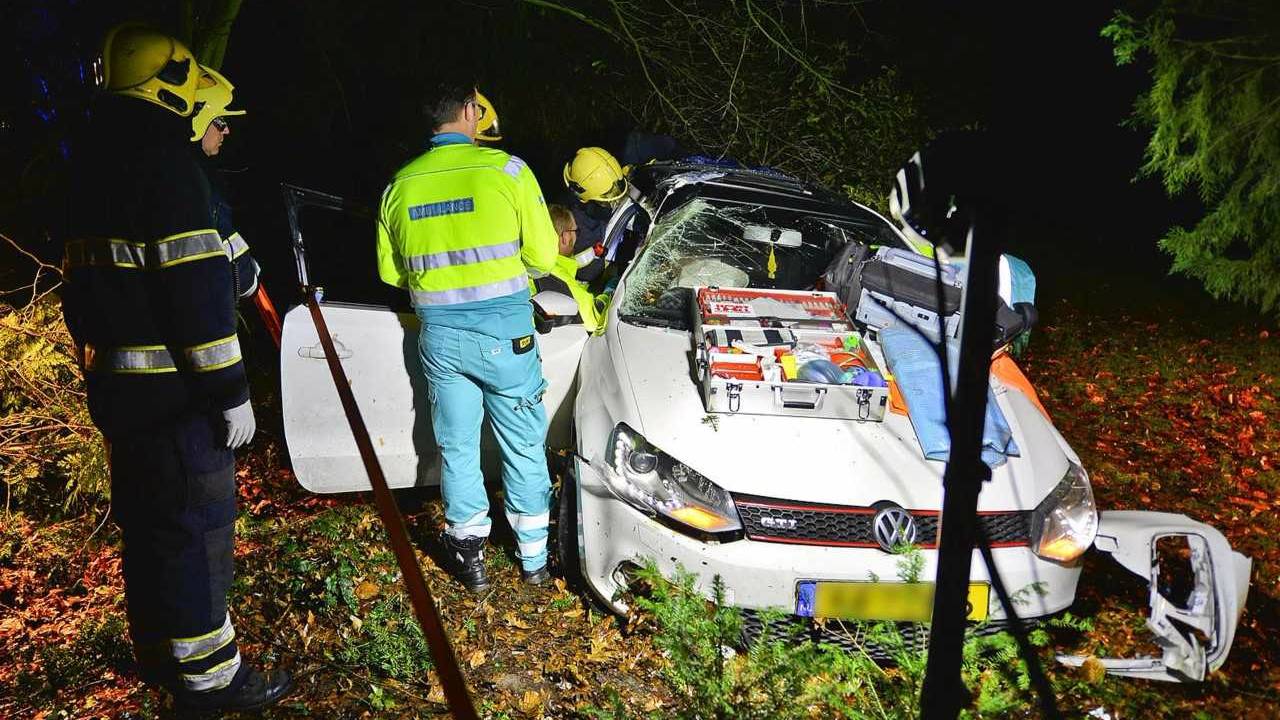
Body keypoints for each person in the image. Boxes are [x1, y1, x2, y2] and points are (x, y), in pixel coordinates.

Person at [59, 24, 291, 713]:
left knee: (152, 528)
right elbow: (196, 295)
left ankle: (161, 653)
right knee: (195, 531)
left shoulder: (97, 165)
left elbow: (85, 293)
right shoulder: (168, 168)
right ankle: (212, 676)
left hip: (121, 396)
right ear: (173, 95)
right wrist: (231, 392)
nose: (218, 128)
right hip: (178, 401)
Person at [375, 79, 560, 591]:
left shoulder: (399, 185)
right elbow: (544, 257)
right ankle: (534, 560)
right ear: (470, 113)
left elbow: (393, 276)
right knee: (522, 442)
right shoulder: (509, 171)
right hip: (506, 334)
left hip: (440, 339)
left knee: (456, 446)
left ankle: (472, 558)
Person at [190, 64, 259, 304]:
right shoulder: (197, 183)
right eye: (219, 122)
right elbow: (242, 277)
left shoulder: (167, 171)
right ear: (197, 120)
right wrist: (251, 274)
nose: (226, 130)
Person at [530, 204, 609, 333]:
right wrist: (609, 293)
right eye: (575, 231)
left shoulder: (536, 263)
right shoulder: (553, 274)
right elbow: (595, 320)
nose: (576, 236)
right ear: (565, 237)